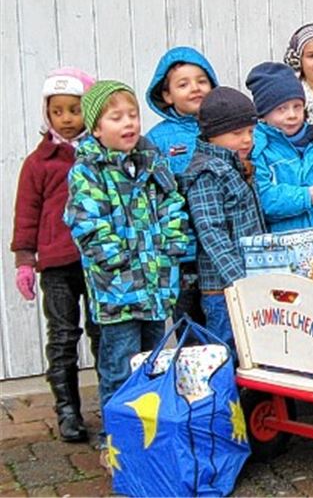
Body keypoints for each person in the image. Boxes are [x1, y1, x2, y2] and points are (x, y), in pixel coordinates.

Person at [64, 80, 189, 446]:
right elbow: (87, 223)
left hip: (156, 284)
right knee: (120, 364)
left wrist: (173, 243)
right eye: (116, 118)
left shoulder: (151, 161)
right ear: (97, 128)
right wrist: (118, 258)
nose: (128, 124)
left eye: (132, 115)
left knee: (152, 361)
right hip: (118, 290)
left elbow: (172, 203)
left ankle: (150, 430)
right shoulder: (89, 171)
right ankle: (118, 437)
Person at [12, 68, 99, 443]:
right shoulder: (39, 162)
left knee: (103, 332)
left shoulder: (100, 155)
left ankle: (113, 402)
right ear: (47, 114)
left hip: (99, 261)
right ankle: (67, 411)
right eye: (58, 111)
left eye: (74, 110)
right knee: (63, 335)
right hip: (57, 263)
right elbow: (27, 211)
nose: (66, 119)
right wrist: (24, 260)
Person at [182, 87, 266, 350]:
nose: (246, 140)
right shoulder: (207, 172)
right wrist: (239, 281)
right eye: (236, 133)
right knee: (225, 352)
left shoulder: (237, 165)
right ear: (212, 135)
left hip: (250, 281)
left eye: (250, 132)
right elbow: (212, 233)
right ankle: (222, 393)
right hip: (223, 289)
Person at [146, 47, 220, 326]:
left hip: (220, 244)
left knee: (226, 314)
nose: (195, 88)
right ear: (166, 95)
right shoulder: (157, 138)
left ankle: (228, 368)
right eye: (183, 84)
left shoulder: (224, 128)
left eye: (202, 81)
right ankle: (192, 367)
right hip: (185, 248)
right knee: (189, 318)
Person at [246, 62, 313, 231]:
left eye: (297, 106)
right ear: (263, 114)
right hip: (284, 247)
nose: (292, 115)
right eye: (281, 109)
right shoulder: (259, 150)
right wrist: (303, 197)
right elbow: (261, 199)